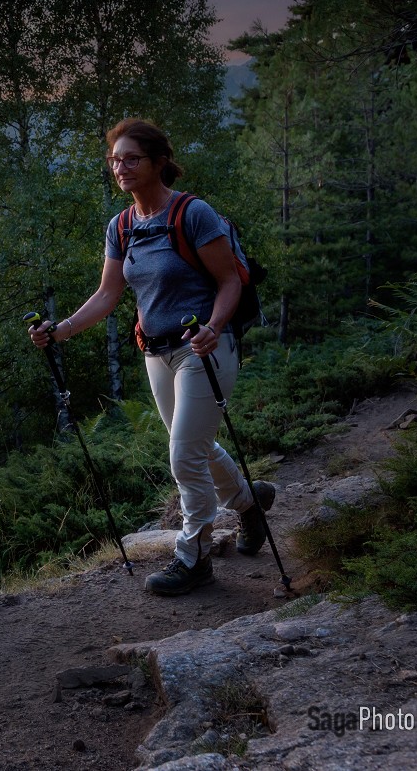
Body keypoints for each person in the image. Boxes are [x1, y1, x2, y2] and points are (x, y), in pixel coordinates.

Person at [28, 118, 275, 596]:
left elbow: (230, 281)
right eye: (115, 159)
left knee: (184, 455)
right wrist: (61, 331)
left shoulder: (193, 214)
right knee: (196, 447)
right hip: (156, 353)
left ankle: (194, 557)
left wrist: (214, 326)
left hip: (204, 349)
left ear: (159, 161)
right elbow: (107, 294)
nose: (121, 167)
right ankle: (248, 505)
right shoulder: (121, 226)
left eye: (131, 158)